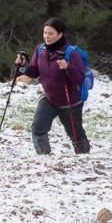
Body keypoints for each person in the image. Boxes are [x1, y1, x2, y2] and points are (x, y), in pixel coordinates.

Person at [14, 17, 91, 155]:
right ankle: (44, 157)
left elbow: (79, 79)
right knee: (38, 128)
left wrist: (67, 67)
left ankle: (83, 159)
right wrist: (22, 65)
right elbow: (33, 71)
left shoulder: (71, 54)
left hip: (70, 101)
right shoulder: (41, 50)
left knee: (75, 134)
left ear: (60, 34)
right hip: (49, 99)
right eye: (45, 33)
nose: (46, 37)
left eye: (51, 33)